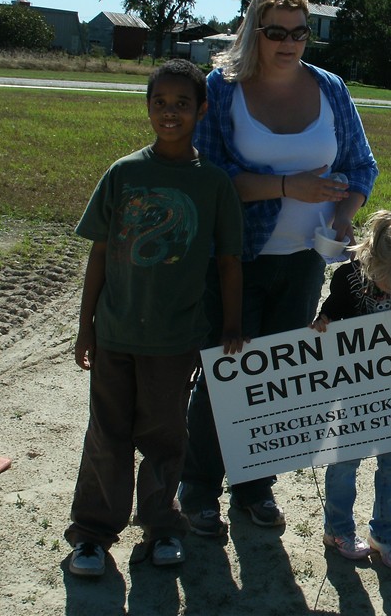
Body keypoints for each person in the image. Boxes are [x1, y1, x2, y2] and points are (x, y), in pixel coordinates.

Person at [180, 0, 378, 536]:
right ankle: (197, 489)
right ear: (254, 31)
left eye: (299, 32)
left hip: (305, 258)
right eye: (276, 32)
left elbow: (360, 166)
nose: (288, 43)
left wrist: (344, 214)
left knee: (273, 375)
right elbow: (208, 174)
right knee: (223, 371)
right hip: (233, 259)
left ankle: (253, 487)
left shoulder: (330, 88)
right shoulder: (222, 89)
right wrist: (288, 187)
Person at [64, 59, 244, 577]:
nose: (170, 113)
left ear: (201, 110)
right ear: (147, 108)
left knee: (165, 438)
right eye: (160, 103)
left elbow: (229, 262)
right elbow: (100, 252)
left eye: (182, 104)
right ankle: (93, 535)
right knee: (107, 435)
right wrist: (86, 326)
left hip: (174, 339)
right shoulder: (124, 173)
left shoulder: (213, 184)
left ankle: (163, 528)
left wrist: (231, 326)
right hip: (115, 332)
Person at [310, 210, 391, 570]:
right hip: (353, 389)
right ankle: (337, 529)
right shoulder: (348, 277)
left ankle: (385, 533)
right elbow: (331, 311)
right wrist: (323, 322)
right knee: (344, 461)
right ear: (374, 263)